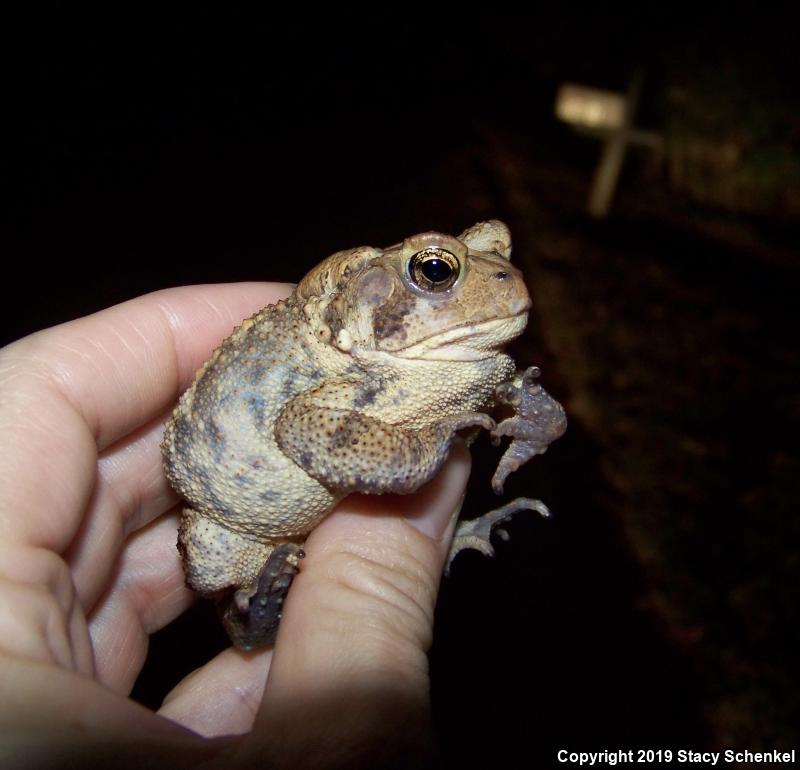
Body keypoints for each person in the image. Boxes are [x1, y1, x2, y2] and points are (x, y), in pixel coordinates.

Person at [0, 283, 471, 768]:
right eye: (436, 270)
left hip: (279, 497)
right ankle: (252, 609)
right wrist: (414, 455)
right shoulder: (344, 356)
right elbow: (307, 426)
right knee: (219, 570)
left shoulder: (406, 371)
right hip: (233, 514)